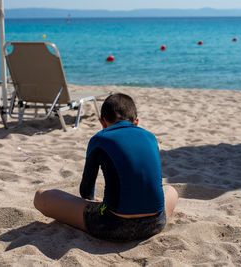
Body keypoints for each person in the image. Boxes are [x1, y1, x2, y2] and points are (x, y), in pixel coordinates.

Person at [34, 93, 178, 241]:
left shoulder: (100, 138)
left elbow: (85, 190)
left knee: (41, 196)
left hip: (112, 225)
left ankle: (106, 208)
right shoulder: (150, 137)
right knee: (171, 191)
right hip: (155, 223)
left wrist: (95, 202)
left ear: (102, 123)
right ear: (136, 122)